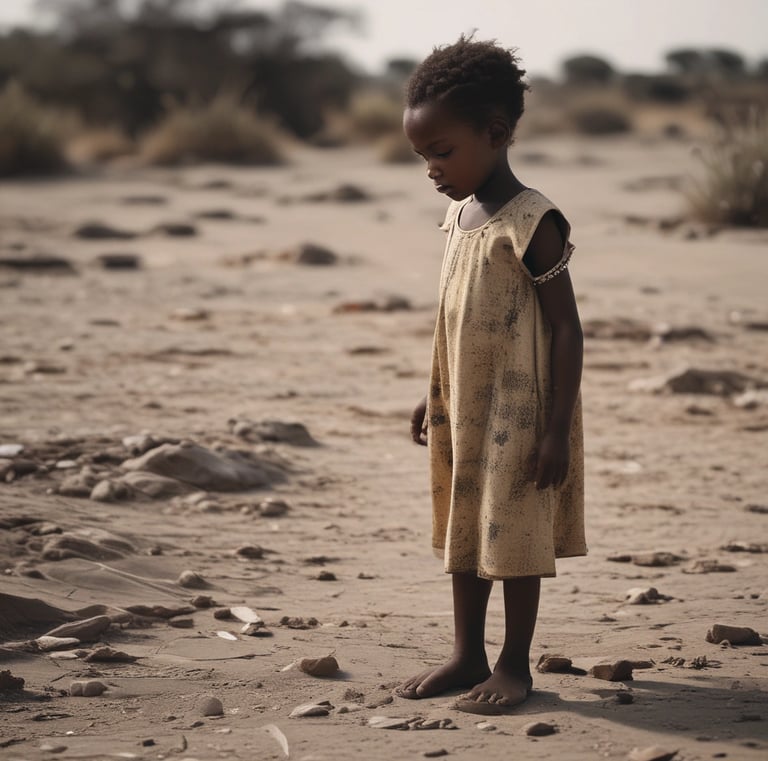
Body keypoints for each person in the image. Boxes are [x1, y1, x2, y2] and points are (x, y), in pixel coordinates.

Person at [396, 36, 587, 713]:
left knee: (514, 532)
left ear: (496, 132)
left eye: (442, 152)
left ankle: (513, 663)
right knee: (464, 527)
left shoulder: (532, 221)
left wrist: (557, 428)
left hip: (523, 412)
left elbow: (566, 327)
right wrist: (432, 391)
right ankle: (466, 651)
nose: (432, 170)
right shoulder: (457, 214)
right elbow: (458, 315)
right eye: (423, 157)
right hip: (463, 404)